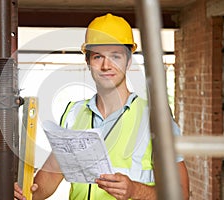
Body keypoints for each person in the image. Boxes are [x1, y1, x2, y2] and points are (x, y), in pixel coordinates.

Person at [14, 13, 189, 200]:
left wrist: (134, 190)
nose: (106, 65)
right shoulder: (74, 113)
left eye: (116, 56)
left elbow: (181, 193)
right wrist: (25, 192)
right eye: (98, 57)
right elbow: (51, 174)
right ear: (88, 62)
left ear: (129, 62)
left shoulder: (155, 119)